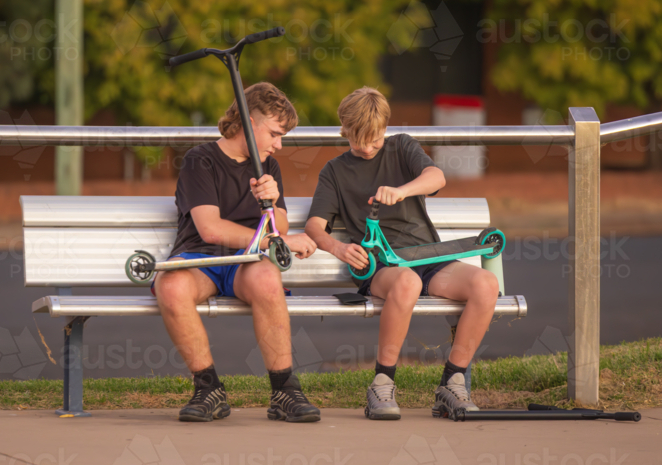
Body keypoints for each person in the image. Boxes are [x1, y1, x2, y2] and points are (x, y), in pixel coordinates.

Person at [304, 87, 499, 420]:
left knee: (485, 284)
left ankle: (452, 382)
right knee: (406, 283)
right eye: (357, 140)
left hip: (427, 256)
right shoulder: (334, 172)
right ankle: (383, 382)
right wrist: (338, 247)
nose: (366, 148)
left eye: (375, 140)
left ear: (385, 129)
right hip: (381, 264)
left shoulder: (402, 146)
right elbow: (314, 227)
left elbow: (435, 177)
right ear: (344, 130)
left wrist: (401, 191)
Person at [153, 82, 321, 423]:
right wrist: (275, 243)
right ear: (249, 123)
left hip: (246, 262)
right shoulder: (200, 160)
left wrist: (273, 204)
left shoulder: (267, 166)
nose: (279, 144)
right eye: (275, 134)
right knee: (170, 285)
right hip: (203, 258)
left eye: (283, 136)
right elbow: (210, 229)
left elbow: (282, 227)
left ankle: (284, 390)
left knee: (266, 279)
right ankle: (208, 389)